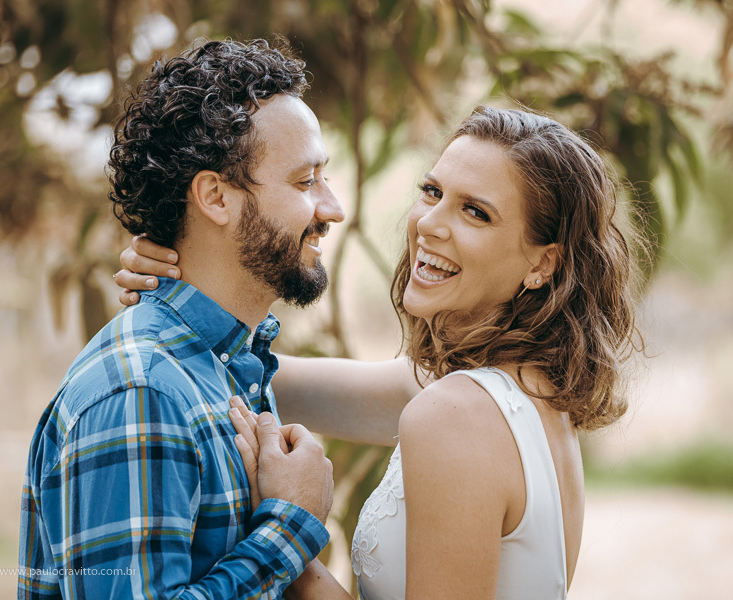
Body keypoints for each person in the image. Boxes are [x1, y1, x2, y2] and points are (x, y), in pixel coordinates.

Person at [117, 105, 642, 598]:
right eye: (432, 191)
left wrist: (289, 529)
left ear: (542, 264)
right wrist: (182, 282)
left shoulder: (457, 415)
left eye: (476, 213)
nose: (431, 223)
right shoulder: (526, 395)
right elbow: (258, 380)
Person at [18, 39, 341, 599]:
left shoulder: (230, 367)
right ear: (215, 197)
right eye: (305, 180)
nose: (333, 207)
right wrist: (289, 528)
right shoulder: (142, 393)